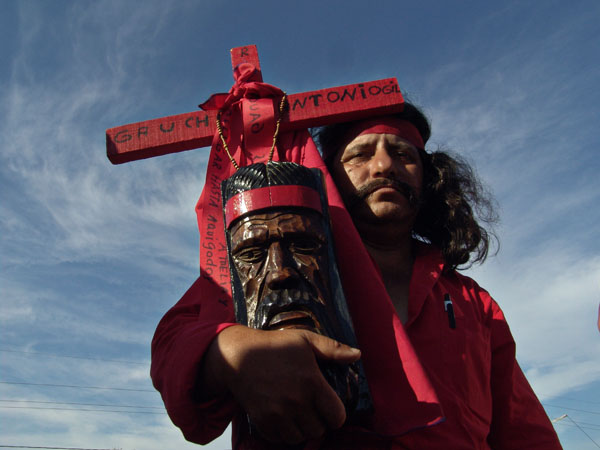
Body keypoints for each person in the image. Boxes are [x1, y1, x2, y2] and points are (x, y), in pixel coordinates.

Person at [151, 102, 562, 449]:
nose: (384, 166)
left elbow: (526, 433)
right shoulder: (277, 263)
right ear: (329, 175)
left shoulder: (476, 303)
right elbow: (173, 344)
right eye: (360, 155)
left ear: (428, 176)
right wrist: (230, 352)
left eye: (404, 155)